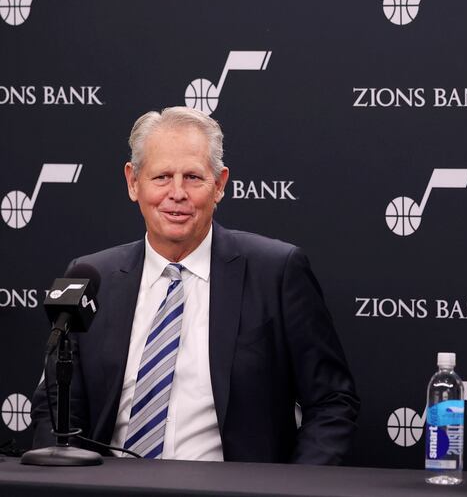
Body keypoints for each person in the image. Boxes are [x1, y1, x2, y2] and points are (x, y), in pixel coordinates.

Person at [31, 106, 359, 464]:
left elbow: (331, 403)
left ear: (219, 185)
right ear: (133, 182)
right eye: (161, 177)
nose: (177, 193)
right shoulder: (90, 276)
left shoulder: (277, 272)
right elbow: (57, 409)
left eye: (192, 177)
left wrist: (294, 490)